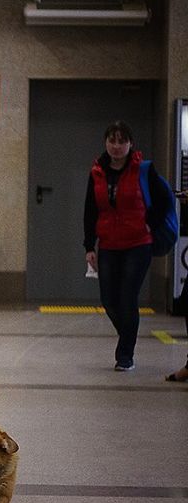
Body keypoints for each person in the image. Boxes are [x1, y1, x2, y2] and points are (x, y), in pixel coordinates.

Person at [83, 120, 164, 371]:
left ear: (130, 144)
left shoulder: (144, 170)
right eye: (112, 141)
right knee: (109, 300)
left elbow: (161, 202)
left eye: (122, 141)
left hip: (138, 244)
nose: (117, 146)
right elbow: (90, 211)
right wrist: (89, 246)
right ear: (106, 143)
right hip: (108, 244)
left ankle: (125, 355)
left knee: (128, 297)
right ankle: (128, 334)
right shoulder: (97, 172)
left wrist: (151, 226)